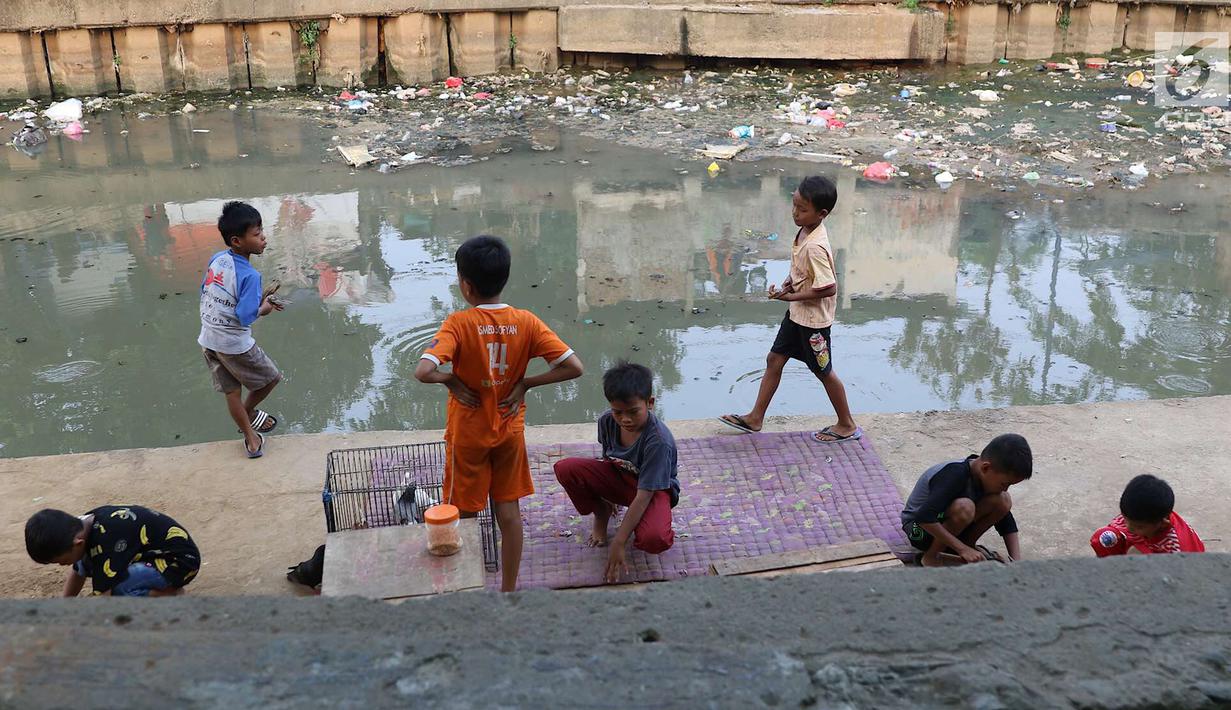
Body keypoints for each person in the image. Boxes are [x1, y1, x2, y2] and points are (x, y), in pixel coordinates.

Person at [416, 235, 584, 592]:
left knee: (464, 514)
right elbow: (573, 366)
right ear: (505, 278)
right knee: (509, 513)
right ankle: (508, 591)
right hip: (509, 430)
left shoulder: (458, 324)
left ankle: (467, 588)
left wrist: (450, 380)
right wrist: (526, 384)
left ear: (465, 285)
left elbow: (424, 371)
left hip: (468, 434)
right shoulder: (526, 322)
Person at [719, 175, 860, 443]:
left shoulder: (816, 246)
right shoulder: (805, 230)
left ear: (822, 214)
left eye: (802, 209)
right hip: (797, 316)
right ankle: (755, 418)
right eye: (794, 205)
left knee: (823, 371)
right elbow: (803, 272)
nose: (795, 213)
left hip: (813, 323)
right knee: (774, 359)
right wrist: (789, 284)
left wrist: (791, 297)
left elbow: (828, 287)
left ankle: (847, 424)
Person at [553, 361, 681, 584]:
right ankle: (601, 512)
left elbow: (644, 495)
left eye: (633, 412)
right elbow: (608, 459)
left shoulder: (658, 441)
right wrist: (605, 496)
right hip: (620, 476)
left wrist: (619, 541)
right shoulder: (606, 421)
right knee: (565, 468)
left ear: (650, 403)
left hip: (653, 490)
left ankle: (653, 521)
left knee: (654, 539)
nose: (625, 419)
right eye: (617, 412)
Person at [199, 201, 284, 459]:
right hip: (233, 344)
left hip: (208, 338)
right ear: (237, 241)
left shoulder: (217, 259)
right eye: (257, 234)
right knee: (271, 378)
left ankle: (252, 440)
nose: (263, 238)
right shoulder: (250, 276)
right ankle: (247, 413)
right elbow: (245, 317)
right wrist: (264, 308)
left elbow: (208, 291)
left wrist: (257, 299)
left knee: (232, 391)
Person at [900, 434, 1032, 567]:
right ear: (985, 468)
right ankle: (931, 557)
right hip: (918, 531)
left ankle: (967, 545)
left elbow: (1005, 521)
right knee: (965, 507)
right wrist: (962, 549)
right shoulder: (954, 475)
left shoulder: (985, 473)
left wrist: (1016, 562)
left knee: (1004, 500)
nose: (1006, 488)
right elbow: (924, 517)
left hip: (942, 525)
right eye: (1004, 484)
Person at [25, 506, 201, 597]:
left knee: (118, 590)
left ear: (78, 543)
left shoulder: (107, 545)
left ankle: (168, 594)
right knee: (87, 562)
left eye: (61, 561)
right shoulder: (80, 527)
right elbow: (78, 570)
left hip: (179, 563)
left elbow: (105, 598)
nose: (61, 565)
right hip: (151, 553)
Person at [1091, 474, 1205, 556]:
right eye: (1125, 519)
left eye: (1139, 526)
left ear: (1163, 524)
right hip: (1148, 545)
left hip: (1174, 569)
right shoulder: (1140, 514)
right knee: (1104, 538)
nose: (1129, 527)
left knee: (1135, 554)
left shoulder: (1177, 548)